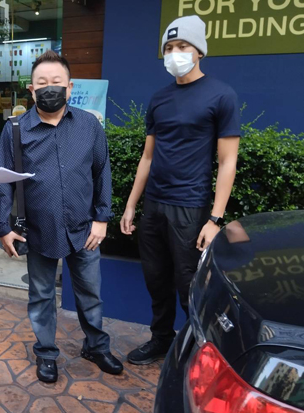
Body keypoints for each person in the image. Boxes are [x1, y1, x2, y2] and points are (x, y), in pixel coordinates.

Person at [0, 50, 124, 383]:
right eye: (42, 83)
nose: (49, 88)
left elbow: (101, 173)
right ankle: (47, 353)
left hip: (84, 229)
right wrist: (3, 228)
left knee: (90, 293)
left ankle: (96, 345)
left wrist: (102, 218)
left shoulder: (89, 125)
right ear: (31, 90)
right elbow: (4, 180)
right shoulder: (16, 130)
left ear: (69, 86)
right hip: (38, 229)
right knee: (40, 295)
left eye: (56, 82)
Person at [120, 15, 240, 365]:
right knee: (155, 279)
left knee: (190, 285)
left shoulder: (221, 95)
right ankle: (161, 339)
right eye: (169, 48)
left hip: (191, 207)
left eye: (182, 46)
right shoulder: (159, 98)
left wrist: (215, 219)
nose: (175, 54)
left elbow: (228, 161)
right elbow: (147, 156)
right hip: (155, 205)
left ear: (199, 50)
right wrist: (131, 206)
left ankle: (201, 350)